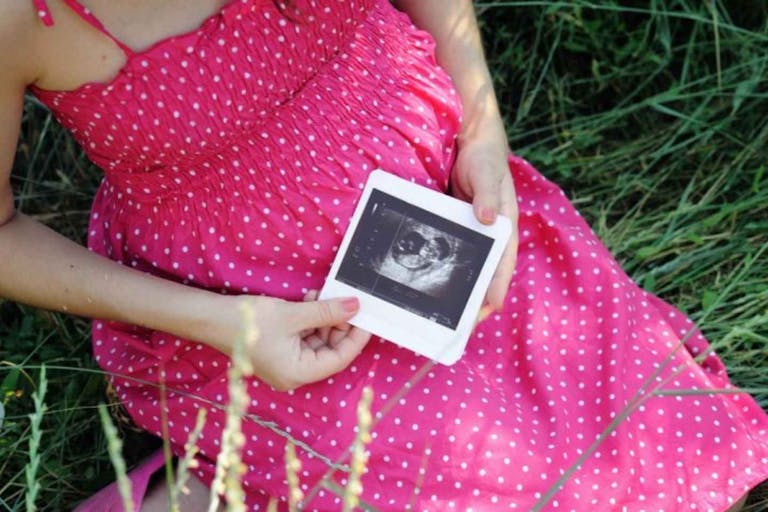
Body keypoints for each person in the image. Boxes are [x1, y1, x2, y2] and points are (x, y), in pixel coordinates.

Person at [1, 0, 766, 510]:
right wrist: (229, 325)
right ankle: (215, 478)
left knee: (653, 444)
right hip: (247, 297)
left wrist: (482, 127)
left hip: (432, 200)